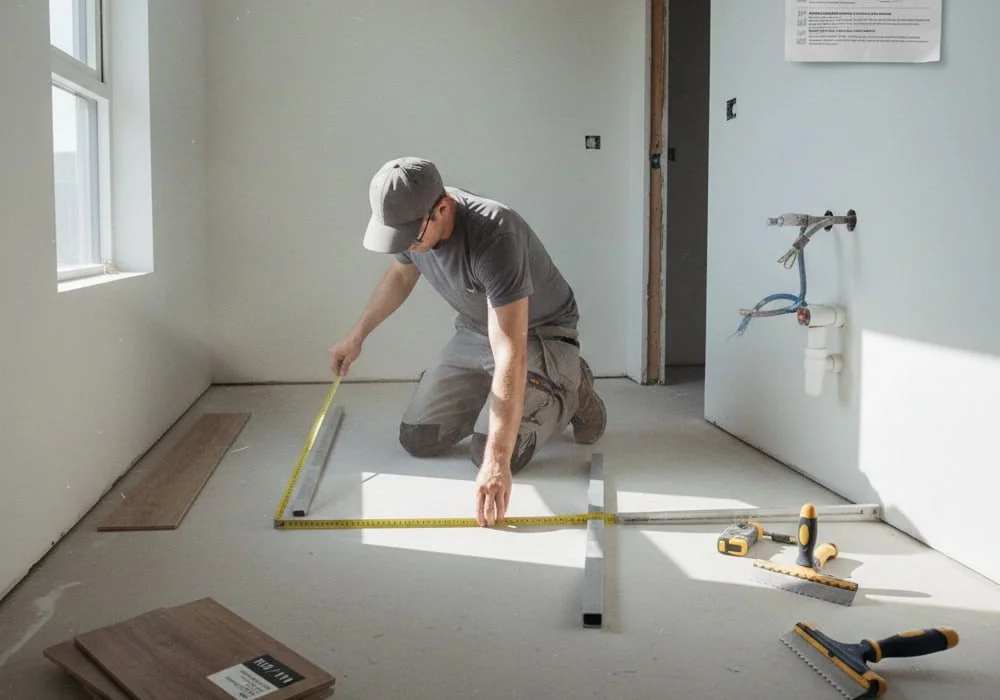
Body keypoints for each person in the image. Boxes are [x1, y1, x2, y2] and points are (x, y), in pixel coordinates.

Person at [329, 157, 606, 527]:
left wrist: (496, 463)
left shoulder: (495, 235)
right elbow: (399, 276)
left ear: (442, 209)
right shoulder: (411, 218)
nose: (406, 246)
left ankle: (571, 384)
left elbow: (511, 352)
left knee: (490, 452)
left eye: (410, 237)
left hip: (538, 333)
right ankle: (510, 398)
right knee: (418, 439)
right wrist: (357, 335)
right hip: (476, 329)